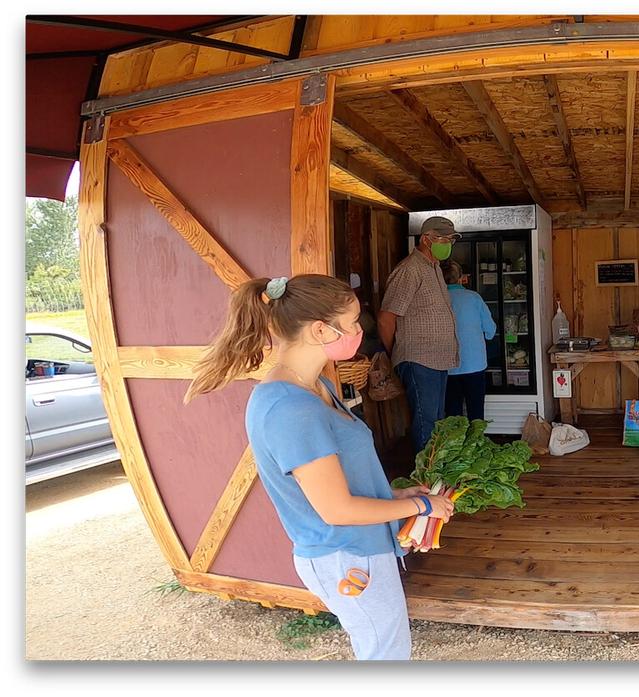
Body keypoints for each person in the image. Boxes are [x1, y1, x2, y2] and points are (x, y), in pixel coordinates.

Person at [184, 274, 455, 660]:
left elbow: (335, 483)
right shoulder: (291, 408)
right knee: (387, 655)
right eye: (353, 323)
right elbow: (337, 510)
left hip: (358, 549)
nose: (359, 331)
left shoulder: (315, 387)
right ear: (320, 330)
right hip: (347, 557)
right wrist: (424, 506)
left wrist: (395, 495)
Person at [378, 216, 461, 454]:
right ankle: (426, 473)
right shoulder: (410, 270)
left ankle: (435, 467)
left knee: (437, 419)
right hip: (419, 359)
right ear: (426, 239)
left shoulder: (434, 268)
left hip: (438, 359)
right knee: (427, 421)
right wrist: (397, 352)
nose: (448, 244)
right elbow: (386, 318)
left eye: (451, 240)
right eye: (443, 239)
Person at [442, 260, 496, 421]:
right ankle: (476, 436)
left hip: (447, 367)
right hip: (475, 364)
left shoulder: (438, 299)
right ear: (461, 278)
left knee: (453, 416)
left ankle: (456, 438)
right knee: (476, 414)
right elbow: (490, 330)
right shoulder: (474, 298)